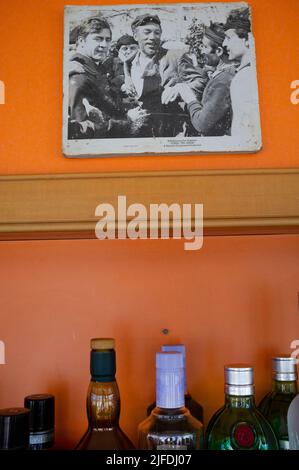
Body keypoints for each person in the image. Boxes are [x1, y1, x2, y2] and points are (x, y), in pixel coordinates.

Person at [122, 14, 206, 137]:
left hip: (170, 131)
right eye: (147, 32)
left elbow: (201, 82)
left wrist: (180, 88)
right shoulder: (128, 63)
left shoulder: (174, 57)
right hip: (138, 132)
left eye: (157, 33)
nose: (152, 37)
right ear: (135, 36)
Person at [68, 17, 147, 139]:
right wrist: (128, 120)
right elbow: (82, 131)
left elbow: (104, 105)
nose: (104, 45)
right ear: (82, 41)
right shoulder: (78, 77)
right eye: (98, 39)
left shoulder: (96, 69)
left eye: (108, 40)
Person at [222, 9, 261, 140]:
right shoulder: (251, 72)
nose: (224, 44)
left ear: (247, 39)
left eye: (228, 38)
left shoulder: (245, 78)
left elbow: (246, 130)